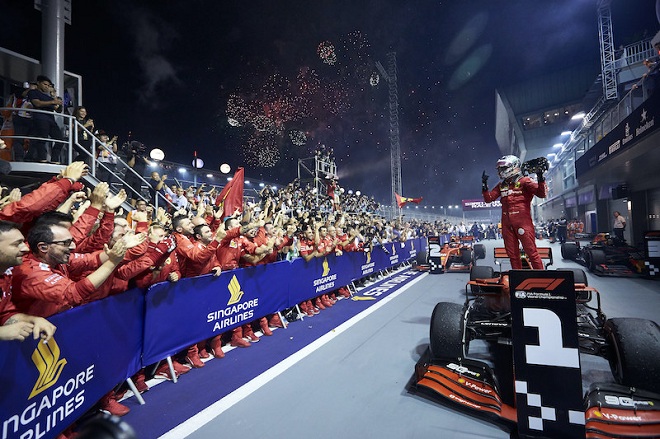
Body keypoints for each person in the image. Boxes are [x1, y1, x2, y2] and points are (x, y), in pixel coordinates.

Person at [482, 155, 547, 270]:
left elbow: (541, 194)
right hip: (507, 224)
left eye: (503, 168)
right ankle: (518, 277)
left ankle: (541, 277)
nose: (500, 171)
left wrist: (540, 177)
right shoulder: (501, 185)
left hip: (523, 223)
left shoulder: (525, 181)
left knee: (531, 252)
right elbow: (489, 199)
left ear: (513, 167)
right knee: (512, 254)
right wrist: (484, 186)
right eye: (499, 169)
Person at [0, 221, 57, 342]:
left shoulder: (6, 275)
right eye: (17, 244)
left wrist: (33, 320)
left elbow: (4, 314)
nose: (25, 248)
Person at [26, 76, 64, 163]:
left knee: (60, 139)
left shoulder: (50, 97)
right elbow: (37, 103)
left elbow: (58, 110)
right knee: (42, 139)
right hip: (40, 118)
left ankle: (54, 160)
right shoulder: (33, 92)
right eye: (45, 84)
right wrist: (52, 102)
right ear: (38, 83)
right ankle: (42, 158)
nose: (46, 87)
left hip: (51, 120)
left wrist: (55, 98)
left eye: (48, 85)